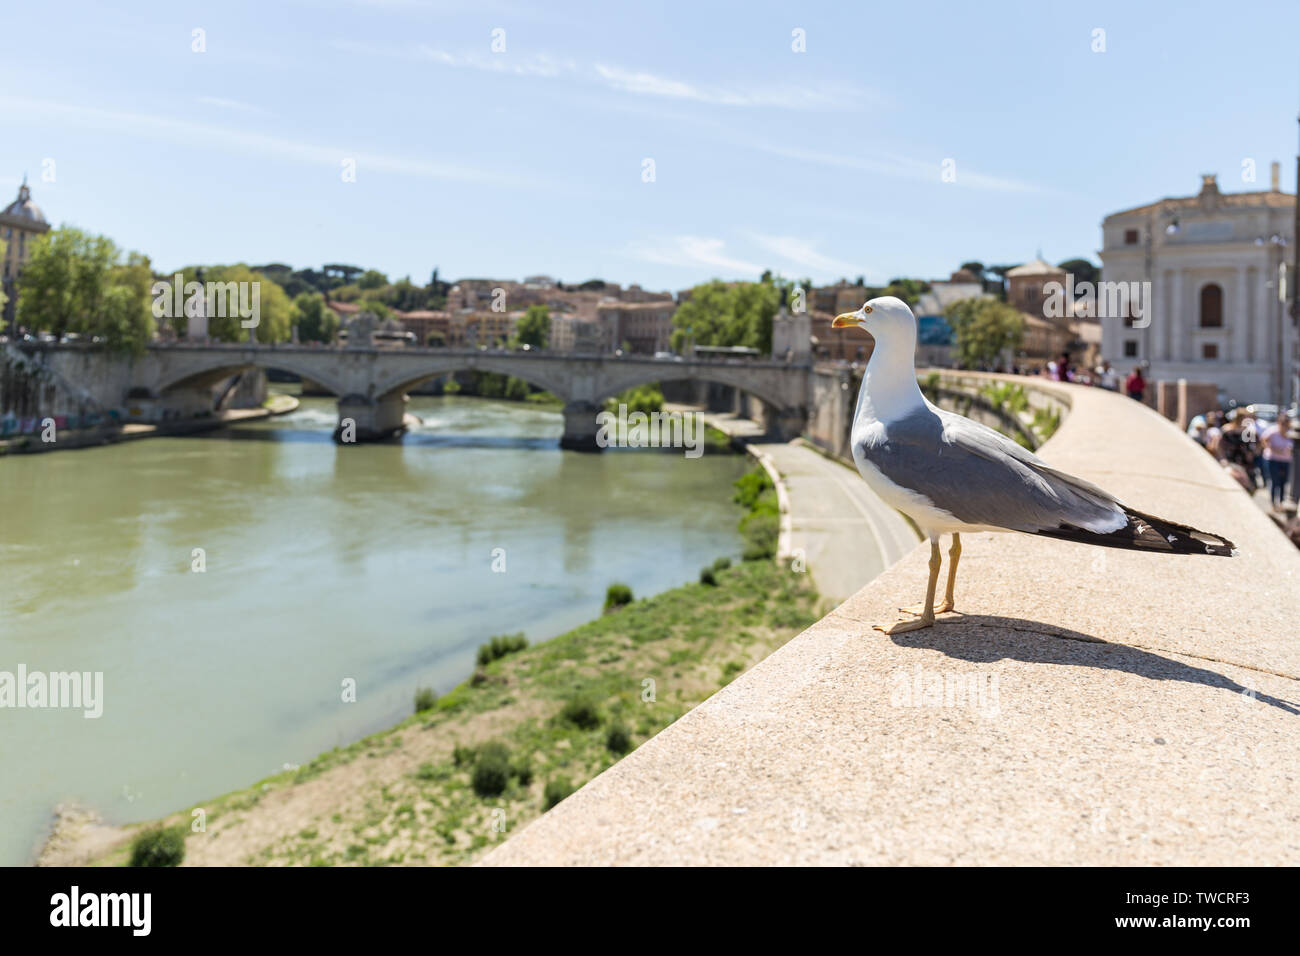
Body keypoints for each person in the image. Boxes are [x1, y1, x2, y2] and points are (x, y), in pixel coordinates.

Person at [1259, 412, 1294, 508]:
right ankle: (1274, 503)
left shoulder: (1290, 433)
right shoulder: (1272, 431)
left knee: (1284, 482)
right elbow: (1263, 439)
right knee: (1275, 481)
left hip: (1286, 460)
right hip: (1272, 459)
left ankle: (1282, 502)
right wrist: (1271, 448)